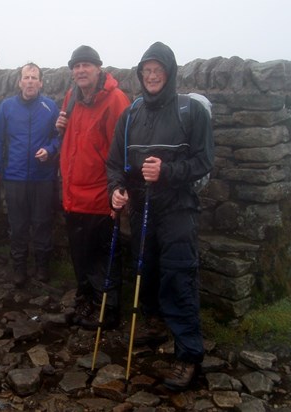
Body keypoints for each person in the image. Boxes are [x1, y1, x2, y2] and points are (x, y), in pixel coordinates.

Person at [106, 42, 214, 391]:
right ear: (141, 75)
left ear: (169, 74)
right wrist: (117, 188)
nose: (152, 77)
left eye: (158, 71)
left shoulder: (190, 111)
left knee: (178, 276)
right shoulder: (132, 113)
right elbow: (115, 164)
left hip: (178, 208)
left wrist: (166, 172)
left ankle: (188, 357)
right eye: (146, 71)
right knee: (145, 267)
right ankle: (152, 326)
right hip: (142, 207)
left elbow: (203, 162)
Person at [56, 46, 130, 330]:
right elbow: (71, 140)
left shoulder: (115, 100)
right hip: (73, 194)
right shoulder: (71, 96)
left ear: (99, 68)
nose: (81, 71)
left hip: (101, 196)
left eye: (86, 65)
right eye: (76, 66)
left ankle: (108, 311)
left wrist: (119, 191)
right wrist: (59, 127)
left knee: (104, 258)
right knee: (80, 256)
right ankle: (85, 301)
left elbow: (123, 150)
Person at [0, 62, 60, 287]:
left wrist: (49, 150)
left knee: (42, 223)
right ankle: (19, 268)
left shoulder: (50, 107)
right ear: (20, 82)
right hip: (15, 177)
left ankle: (42, 267)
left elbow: (60, 136)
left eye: (34, 78)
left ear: (41, 83)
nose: (30, 82)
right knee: (17, 225)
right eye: (26, 78)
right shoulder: (7, 107)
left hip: (43, 178)